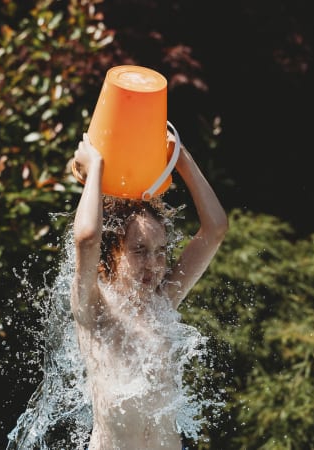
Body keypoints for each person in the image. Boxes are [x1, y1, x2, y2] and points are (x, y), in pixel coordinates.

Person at [70, 131, 228, 450]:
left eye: (160, 251)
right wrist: (96, 169)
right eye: (139, 251)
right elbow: (87, 237)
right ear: (109, 257)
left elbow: (215, 229)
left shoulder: (163, 299)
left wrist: (180, 159)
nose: (154, 264)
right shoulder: (93, 308)